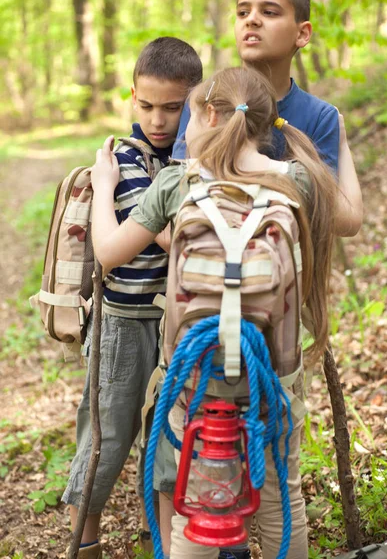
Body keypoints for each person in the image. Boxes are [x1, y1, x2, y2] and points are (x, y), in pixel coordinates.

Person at [90, 66, 356, 559]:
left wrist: (105, 185)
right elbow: (352, 217)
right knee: (282, 500)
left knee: (197, 508)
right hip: (272, 376)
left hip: (194, 381)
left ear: (210, 113)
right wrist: (337, 142)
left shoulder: (177, 181)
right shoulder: (296, 178)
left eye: (188, 116)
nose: (183, 131)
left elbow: (108, 251)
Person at [61, 36, 202, 559]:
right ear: (131, 97)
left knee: (167, 434)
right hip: (124, 318)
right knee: (107, 433)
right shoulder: (124, 158)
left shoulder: (191, 155)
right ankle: (85, 541)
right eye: (146, 105)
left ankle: (160, 540)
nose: (159, 119)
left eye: (173, 107)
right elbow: (168, 236)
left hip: (178, 322)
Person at [173, 0, 363, 238]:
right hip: (205, 271)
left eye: (270, 12)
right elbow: (174, 203)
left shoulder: (320, 117)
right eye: (243, 11)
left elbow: (337, 219)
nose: (252, 19)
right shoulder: (204, 100)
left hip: (287, 276)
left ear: (302, 33)